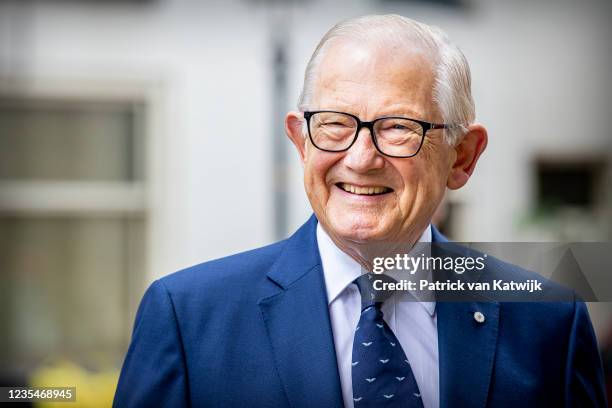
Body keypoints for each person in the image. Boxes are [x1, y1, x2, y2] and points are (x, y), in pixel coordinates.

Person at [114, 14, 606, 407]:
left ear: (462, 157)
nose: (361, 158)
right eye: (333, 124)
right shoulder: (189, 318)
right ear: (300, 140)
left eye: (398, 127)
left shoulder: (546, 320)